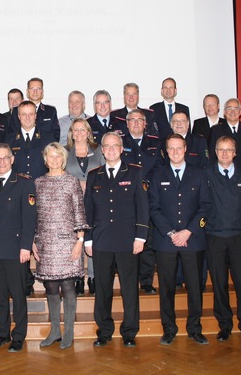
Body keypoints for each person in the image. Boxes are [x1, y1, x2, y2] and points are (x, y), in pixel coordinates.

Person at [84, 132, 149, 348]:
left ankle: (129, 331)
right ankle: (104, 331)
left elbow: (143, 207)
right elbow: (88, 211)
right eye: (107, 146)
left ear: (122, 149)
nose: (111, 149)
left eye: (115, 146)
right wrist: (88, 239)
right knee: (103, 289)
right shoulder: (94, 175)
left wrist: (140, 236)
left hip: (128, 241)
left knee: (130, 289)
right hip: (101, 241)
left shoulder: (135, 173)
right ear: (101, 150)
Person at [149, 134, 210, 346]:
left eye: (179, 148)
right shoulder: (157, 175)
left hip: (192, 240)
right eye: (171, 149)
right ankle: (169, 329)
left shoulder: (199, 174)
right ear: (166, 151)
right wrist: (172, 233)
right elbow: (153, 208)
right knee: (166, 288)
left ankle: (195, 328)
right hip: (166, 241)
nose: (175, 152)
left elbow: (205, 207)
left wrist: (188, 231)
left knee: (194, 286)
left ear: (185, 149)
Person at [0, 143, 37, 353]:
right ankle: (2, 333)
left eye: (6, 158)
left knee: (18, 294)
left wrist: (25, 247)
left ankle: (18, 335)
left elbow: (29, 219)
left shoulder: (24, 184)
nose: (2, 162)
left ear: (12, 160)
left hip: (15, 250)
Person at [33, 143, 88, 349]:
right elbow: (34, 215)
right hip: (45, 242)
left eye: (58, 156)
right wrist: (32, 241)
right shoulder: (37, 183)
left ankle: (69, 332)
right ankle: (55, 330)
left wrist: (79, 241)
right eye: (50, 156)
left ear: (63, 159)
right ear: (45, 159)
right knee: (50, 286)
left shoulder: (71, 181)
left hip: (68, 243)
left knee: (68, 287)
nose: (54, 159)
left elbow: (79, 213)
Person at [205, 136, 241, 342]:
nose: (224, 153)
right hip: (215, 237)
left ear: (235, 153)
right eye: (221, 150)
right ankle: (224, 325)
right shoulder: (206, 174)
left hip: (240, 237)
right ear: (215, 152)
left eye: (229, 150)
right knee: (219, 284)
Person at [120, 109, 161, 295]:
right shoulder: (120, 143)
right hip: (127, 198)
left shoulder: (155, 143)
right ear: (126, 123)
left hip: (149, 196)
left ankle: (146, 281)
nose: (136, 123)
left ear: (145, 124)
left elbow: (160, 169)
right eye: (132, 120)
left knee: (148, 240)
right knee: (128, 239)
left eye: (139, 120)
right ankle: (129, 281)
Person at [65, 118, 104, 294]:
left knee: (93, 238)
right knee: (76, 239)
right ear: (71, 133)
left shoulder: (99, 152)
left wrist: (90, 184)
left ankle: (94, 277)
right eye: (76, 130)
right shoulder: (65, 152)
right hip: (72, 203)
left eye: (83, 130)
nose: (79, 133)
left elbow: (105, 174)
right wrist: (77, 184)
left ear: (89, 132)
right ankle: (78, 278)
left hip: (96, 201)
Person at [208, 98, 241, 167]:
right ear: (225, 112)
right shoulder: (216, 130)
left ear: (240, 112)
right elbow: (212, 155)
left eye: (236, 109)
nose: (232, 112)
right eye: (229, 109)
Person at [7, 78, 60, 142]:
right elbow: (11, 134)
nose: (35, 92)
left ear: (42, 92)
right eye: (32, 88)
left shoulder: (50, 111)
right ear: (27, 91)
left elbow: (55, 135)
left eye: (38, 89)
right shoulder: (16, 110)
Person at [7, 100, 49, 179]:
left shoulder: (47, 138)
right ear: (19, 116)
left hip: (41, 187)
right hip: (17, 187)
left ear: (35, 115)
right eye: (24, 114)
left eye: (31, 114)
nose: (27, 117)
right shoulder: (9, 140)